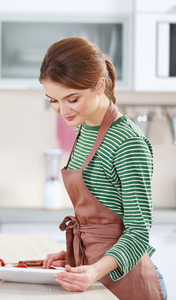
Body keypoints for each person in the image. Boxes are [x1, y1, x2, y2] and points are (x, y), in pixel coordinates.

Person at [39, 37, 167, 300]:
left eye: (72, 99)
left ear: (99, 86)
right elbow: (102, 225)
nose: (62, 110)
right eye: (53, 100)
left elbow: (139, 233)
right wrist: (75, 255)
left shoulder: (128, 143)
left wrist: (94, 269)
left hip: (127, 283)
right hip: (93, 275)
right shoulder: (86, 127)